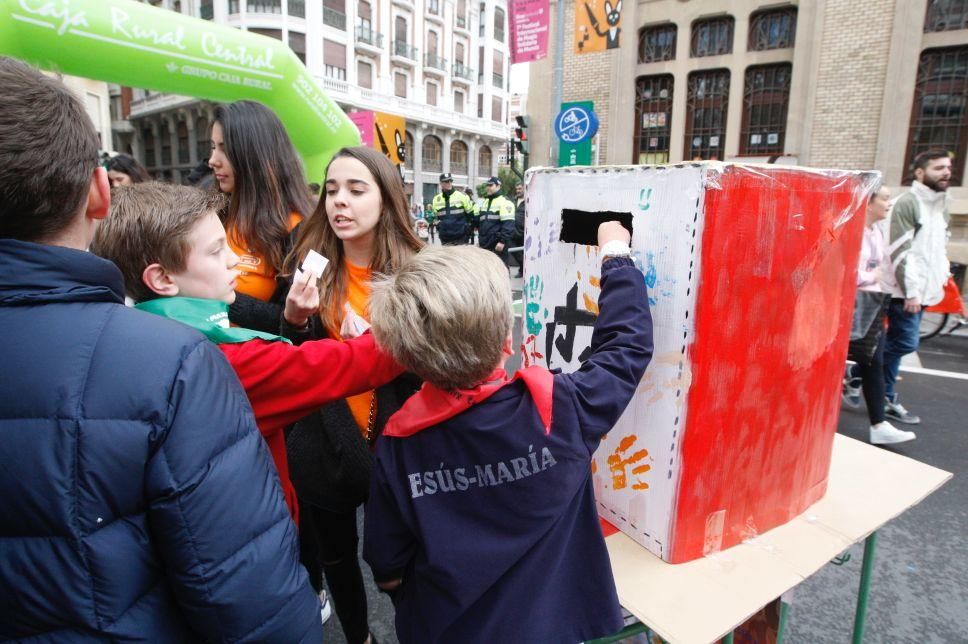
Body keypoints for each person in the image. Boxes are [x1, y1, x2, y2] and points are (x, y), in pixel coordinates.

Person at [0, 56, 321, 642]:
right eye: (214, 254)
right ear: (101, 194)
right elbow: (240, 582)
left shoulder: (295, 229)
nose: (211, 160)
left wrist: (290, 322)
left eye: (221, 148)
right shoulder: (172, 365)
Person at [363, 223, 654, 643]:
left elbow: (387, 567)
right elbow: (627, 346)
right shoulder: (559, 411)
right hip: (553, 627)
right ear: (506, 341)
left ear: (408, 356)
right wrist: (615, 254)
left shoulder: (398, 444)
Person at [285, 146, 424, 644]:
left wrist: (390, 347)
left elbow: (444, 366)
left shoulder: (417, 271)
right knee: (337, 556)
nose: (338, 202)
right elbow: (298, 359)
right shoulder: (314, 265)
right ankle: (359, 637)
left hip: (398, 445)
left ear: (386, 200)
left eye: (355, 189)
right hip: (323, 442)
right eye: (331, 189)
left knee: (404, 560)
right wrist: (296, 321)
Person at [208, 99, 315, 333]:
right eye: (213, 147)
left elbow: (298, 321)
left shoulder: (302, 229)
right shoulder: (212, 213)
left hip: (257, 360)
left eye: (225, 149)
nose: (213, 160)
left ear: (255, 154)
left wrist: (216, 298)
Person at [883, 150, 953, 424]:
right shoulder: (908, 203)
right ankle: (868, 382)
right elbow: (901, 253)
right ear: (920, 173)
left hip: (923, 290)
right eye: (938, 168)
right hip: (905, 292)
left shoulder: (940, 206)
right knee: (904, 342)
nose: (946, 172)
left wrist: (941, 277)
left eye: (947, 167)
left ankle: (877, 389)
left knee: (897, 343)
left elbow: (938, 249)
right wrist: (910, 291)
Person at [842, 185, 916, 445]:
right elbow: (844, 269)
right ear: (868, 202)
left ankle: (879, 424)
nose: (889, 202)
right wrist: (872, 276)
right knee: (866, 361)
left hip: (869, 304)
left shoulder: (876, 232)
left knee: (874, 361)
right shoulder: (853, 231)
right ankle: (877, 423)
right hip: (851, 304)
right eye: (884, 198)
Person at [477, 176, 516, 264]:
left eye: (491, 185)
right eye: (487, 185)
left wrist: (502, 242)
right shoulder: (485, 202)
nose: (488, 188)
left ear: (498, 186)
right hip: (485, 244)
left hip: (497, 244)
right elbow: (482, 224)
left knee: (501, 270)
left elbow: (508, 225)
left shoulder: (505, 202)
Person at [431, 172, 474, 245]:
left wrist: (467, 227)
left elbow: (470, 214)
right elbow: (435, 217)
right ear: (441, 183)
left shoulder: (462, 196)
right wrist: (439, 226)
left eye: (450, 181)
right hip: (445, 237)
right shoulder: (436, 199)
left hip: (461, 236)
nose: (449, 183)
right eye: (446, 181)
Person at [511, 182, 526, 277]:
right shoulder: (513, 201)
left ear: (525, 188)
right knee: (513, 250)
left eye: (520, 189)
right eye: (517, 189)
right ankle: (523, 267)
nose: (518, 191)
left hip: (524, 231)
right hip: (512, 230)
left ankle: (522, 271)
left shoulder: (529, 200)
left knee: (525, 252)